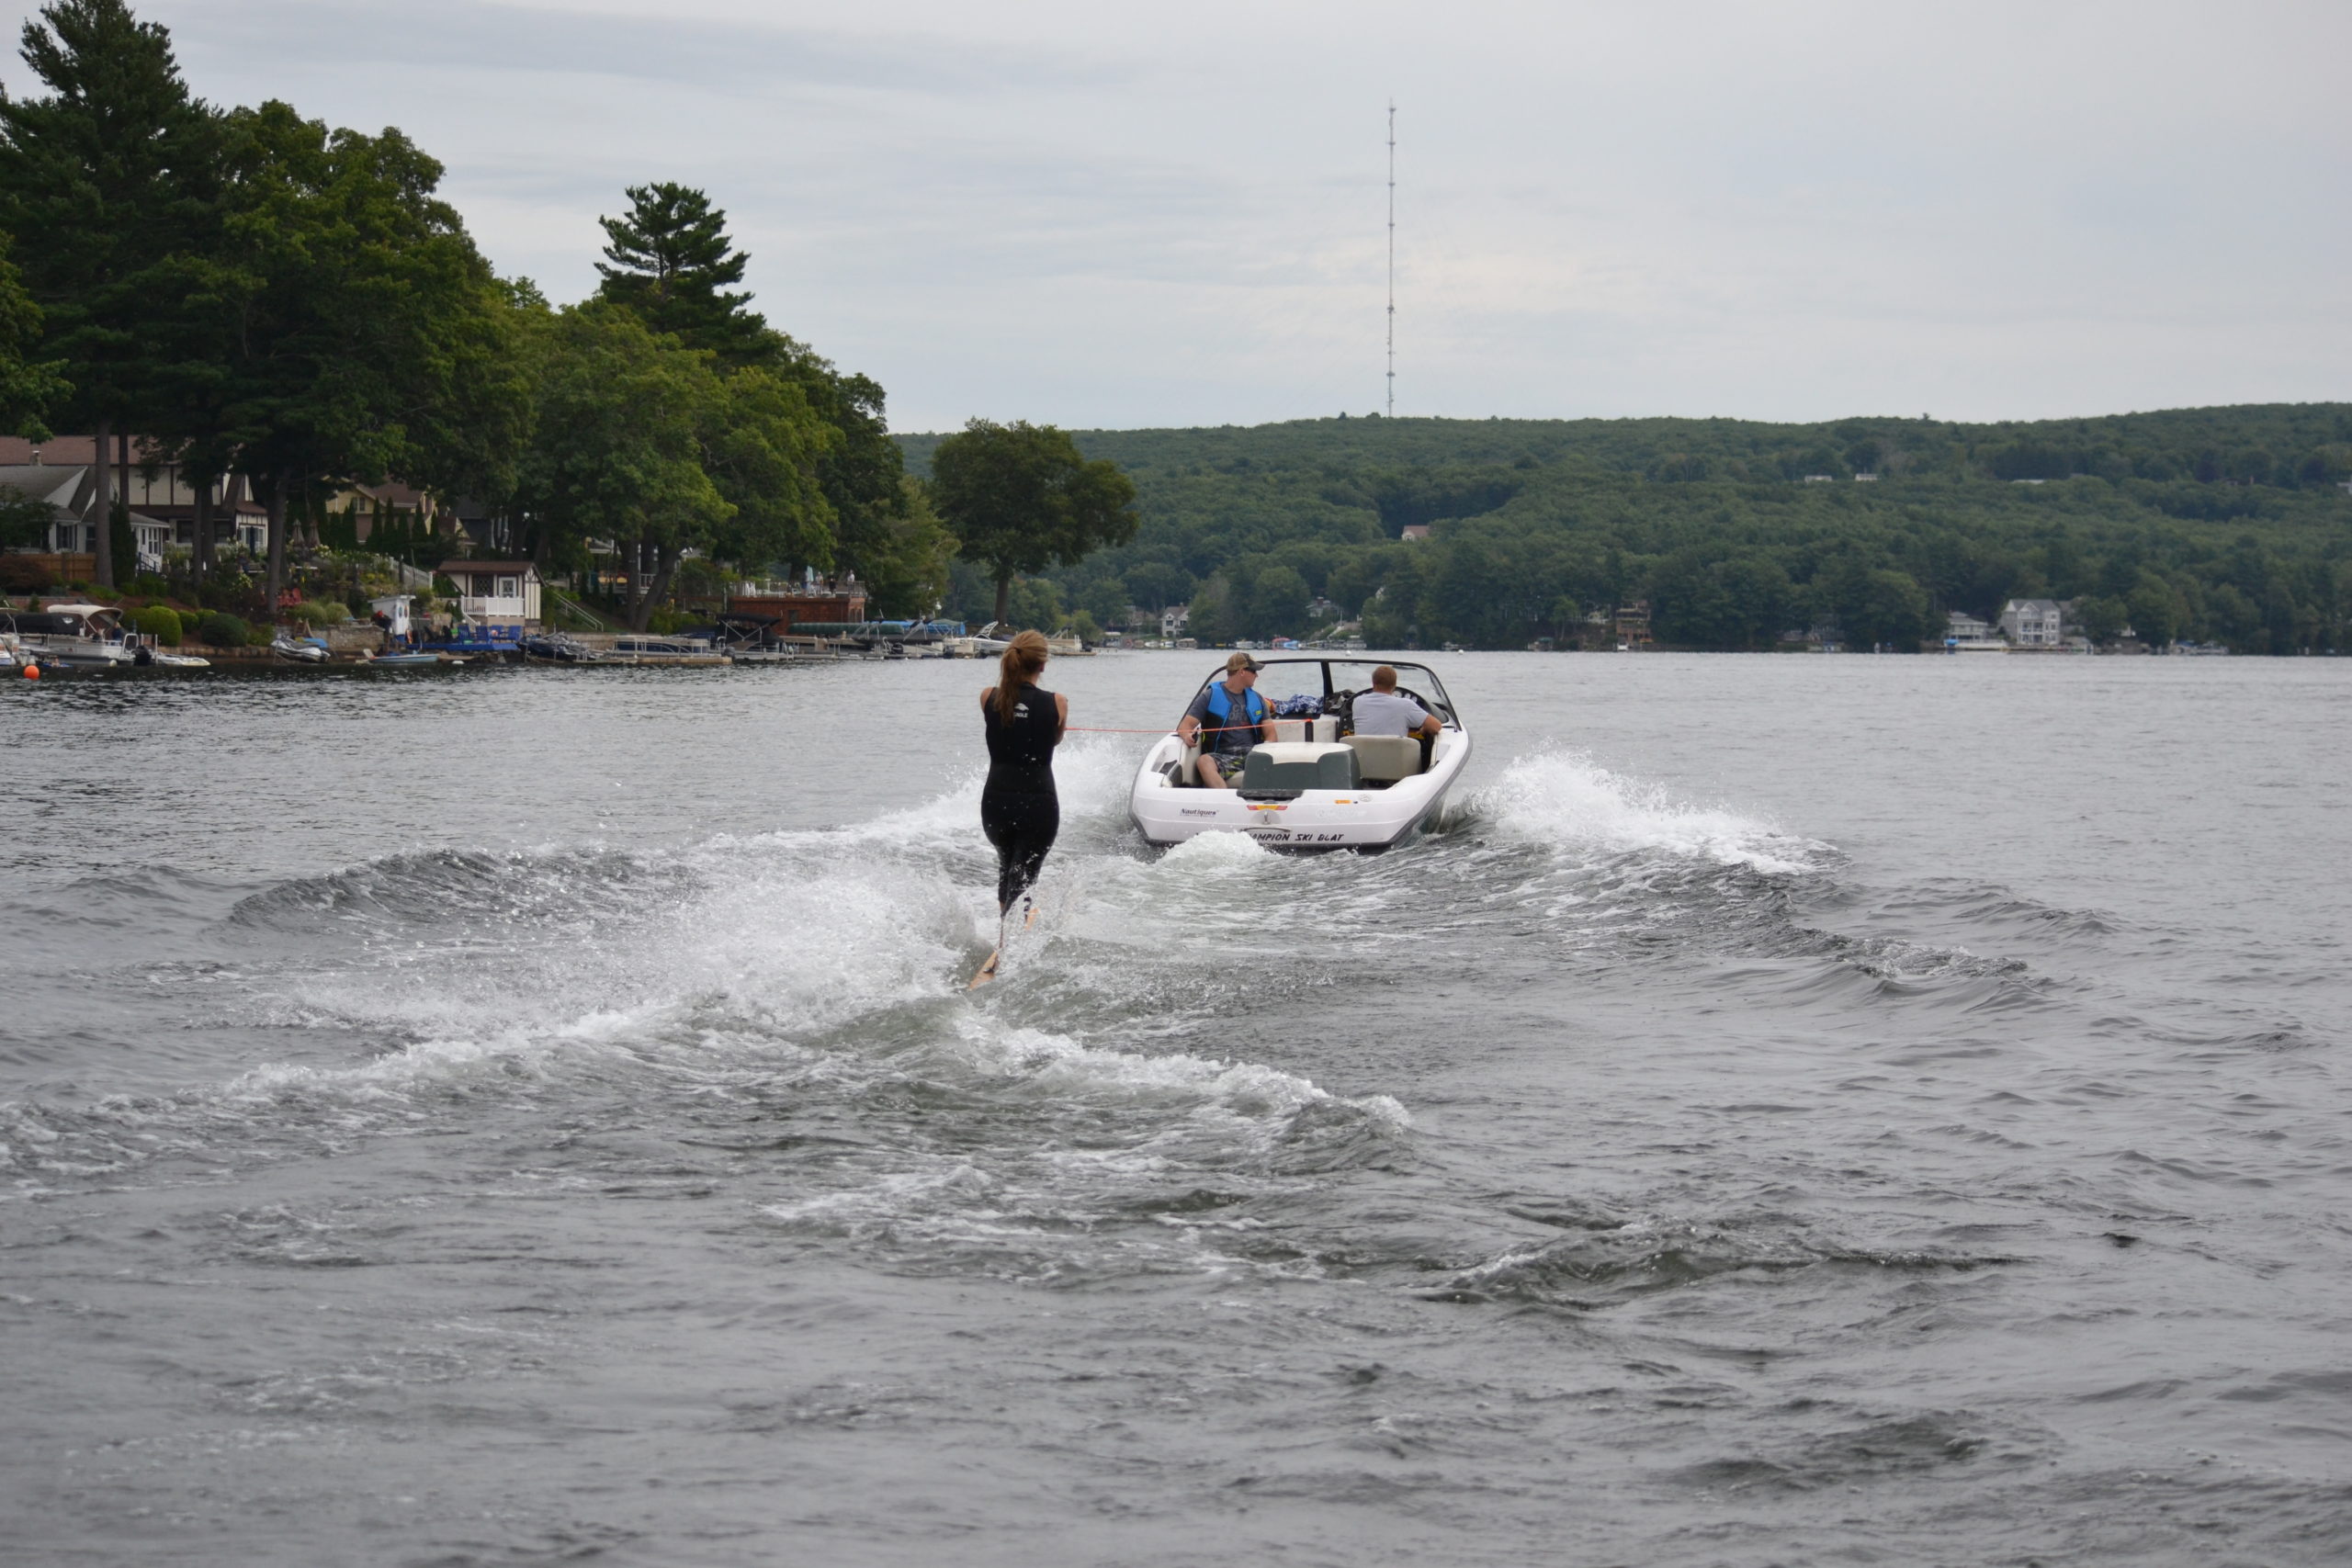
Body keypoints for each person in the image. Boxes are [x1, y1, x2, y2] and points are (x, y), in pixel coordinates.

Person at [979, 629, 1068, 915]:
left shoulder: (988, 697)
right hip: (1037, 800)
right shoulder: (1057, 702)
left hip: (996, 802)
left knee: (1008, 867)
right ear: (1043, 664)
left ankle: (1006, 934)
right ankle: (1012, 944)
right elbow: (1054, 740)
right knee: (1025, 875)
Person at [1177, 651, 1274, 788]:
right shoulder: (1209, 697)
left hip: (1252, 754)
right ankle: (1226, 802)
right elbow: (1185, 726)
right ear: (1241, 672)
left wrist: (1263, 751)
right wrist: (1187, 736)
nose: (1257, 675)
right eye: (1253, 671)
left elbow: (1271, 734)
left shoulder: (1258, 699)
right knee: (1204, 761)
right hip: (1223, 756)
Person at [1350, 665, 1441, 739]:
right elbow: (1436, 726)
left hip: (1363, 760)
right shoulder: (1406, 705)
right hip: (1397, 760)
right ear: (1394, 685)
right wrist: (1424, 729)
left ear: (1373, 683)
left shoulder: (1357, 702)